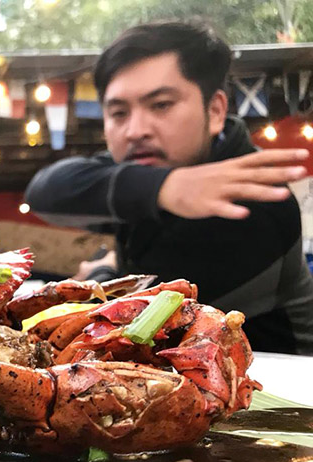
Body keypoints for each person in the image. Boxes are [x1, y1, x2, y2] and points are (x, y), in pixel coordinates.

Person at [25, 21, 313, 355]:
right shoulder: (156, 169)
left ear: (216, 110)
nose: (135, 130)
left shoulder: (255, 200)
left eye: (161, 105)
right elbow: (46, 190)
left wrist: (102, 271)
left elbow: (141, 325)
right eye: (119, 112)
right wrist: (165, 188)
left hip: (285, 393)